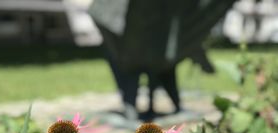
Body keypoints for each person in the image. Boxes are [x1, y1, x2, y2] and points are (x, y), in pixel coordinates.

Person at [89, 0, 235, 121]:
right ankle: (133, 106)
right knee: (134, 65)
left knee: (156, 63)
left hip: (157, 45)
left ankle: (143, 106)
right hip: (134, 44)